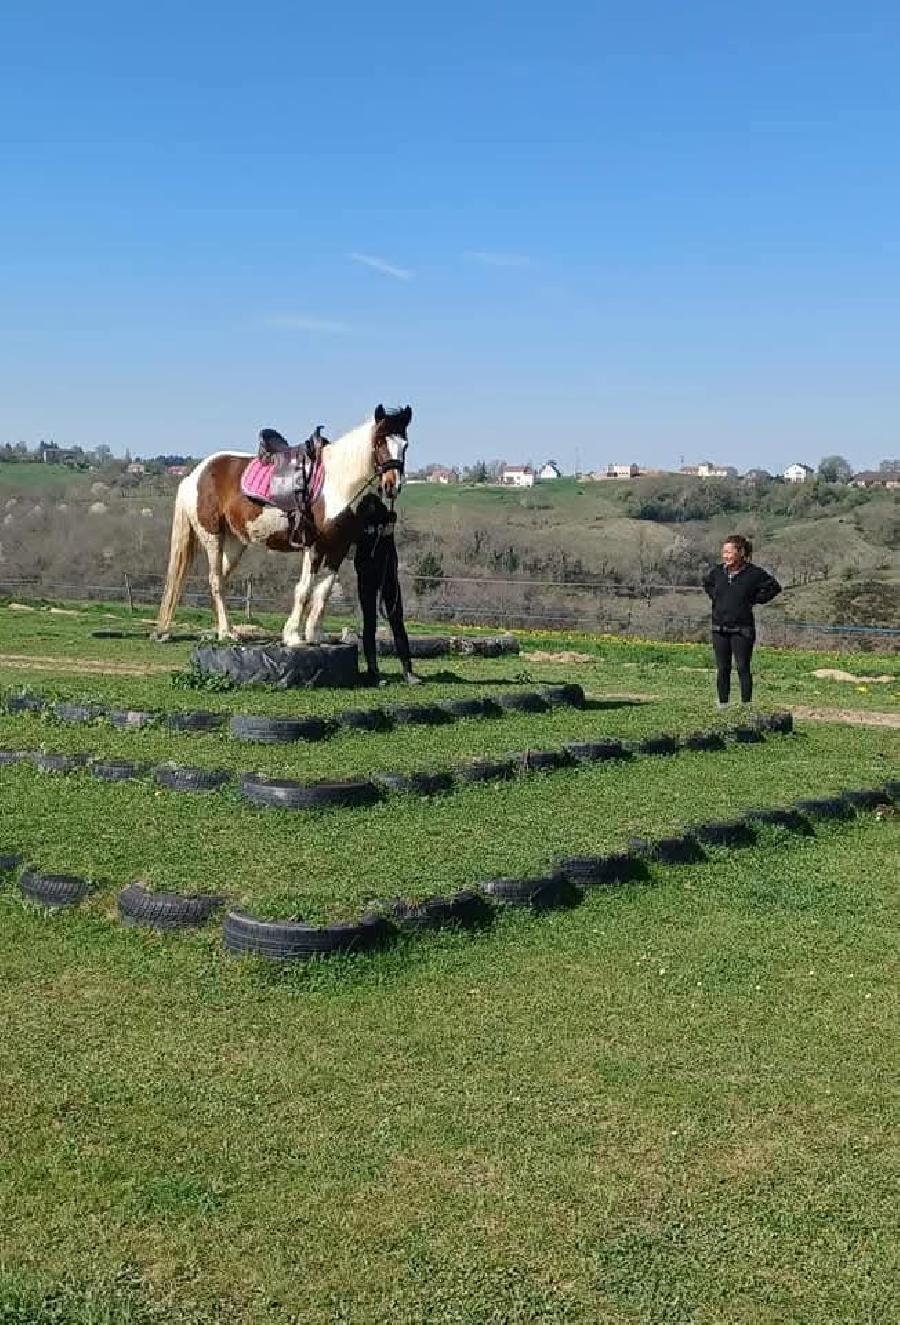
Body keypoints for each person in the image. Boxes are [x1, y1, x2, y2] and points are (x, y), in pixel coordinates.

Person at [702, 535, 781, 708]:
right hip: (719, 628)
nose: (726, 556)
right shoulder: (717, 572)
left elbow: (774, 587)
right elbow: (706, 583)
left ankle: (746, 706)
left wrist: (755, 599)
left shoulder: (753, 573)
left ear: (740, 552)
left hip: (742, 630)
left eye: (729, 552)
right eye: (724, 552)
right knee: (723, 668)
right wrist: (716, 597)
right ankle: (723, 703)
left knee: (743, 667)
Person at [354, 490, 420, 686]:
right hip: (368, 574)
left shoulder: (386, 515)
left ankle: (407, 669)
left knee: (396, 620)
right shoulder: (359, 519)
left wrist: (389, 527)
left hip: (388, 573)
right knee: (369, 623)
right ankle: (373, 670)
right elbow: (358, 549)